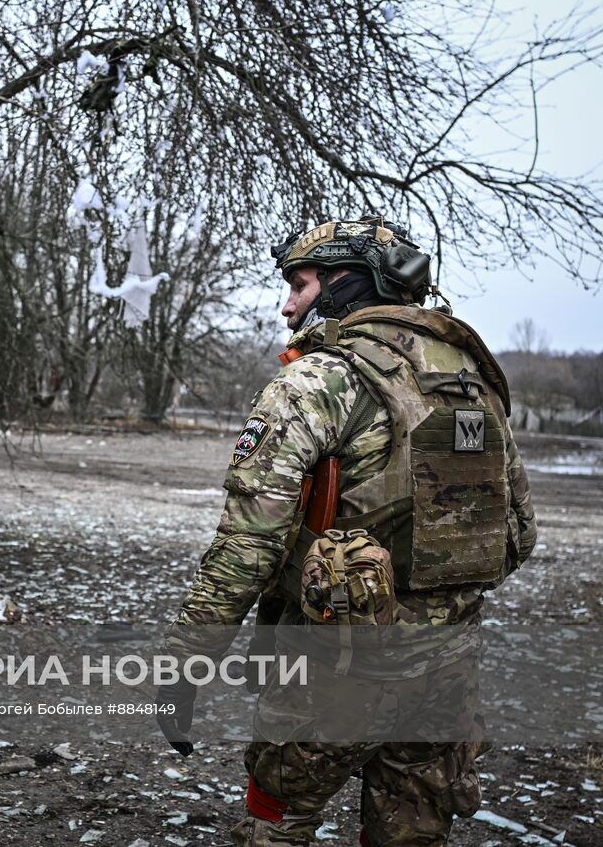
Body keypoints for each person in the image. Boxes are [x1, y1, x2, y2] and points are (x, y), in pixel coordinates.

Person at [158, 217, 537, 846]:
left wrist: (185, 664)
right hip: (449, 672)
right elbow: (520, 535)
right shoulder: (475, 380)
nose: (287, 307)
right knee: (411, 832)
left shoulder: (318, 380)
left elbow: (248, 545)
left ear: (344, 284)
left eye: (300, 286)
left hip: (336, 668)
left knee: (277, 820)